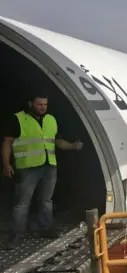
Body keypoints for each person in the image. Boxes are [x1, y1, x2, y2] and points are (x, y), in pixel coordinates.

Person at [2, 93, 83, 249]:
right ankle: (16, 235)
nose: (43, 107)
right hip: (27, 167)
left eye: (45, 104)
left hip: (48, 165)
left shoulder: (50, 119)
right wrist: (6, 164)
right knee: (22, 203)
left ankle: (45, 228)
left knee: (46, 200)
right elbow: (7, 142)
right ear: (31, 103)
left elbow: (57, 141)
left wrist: (73, 146)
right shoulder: (18, 119)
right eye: (39, 104)